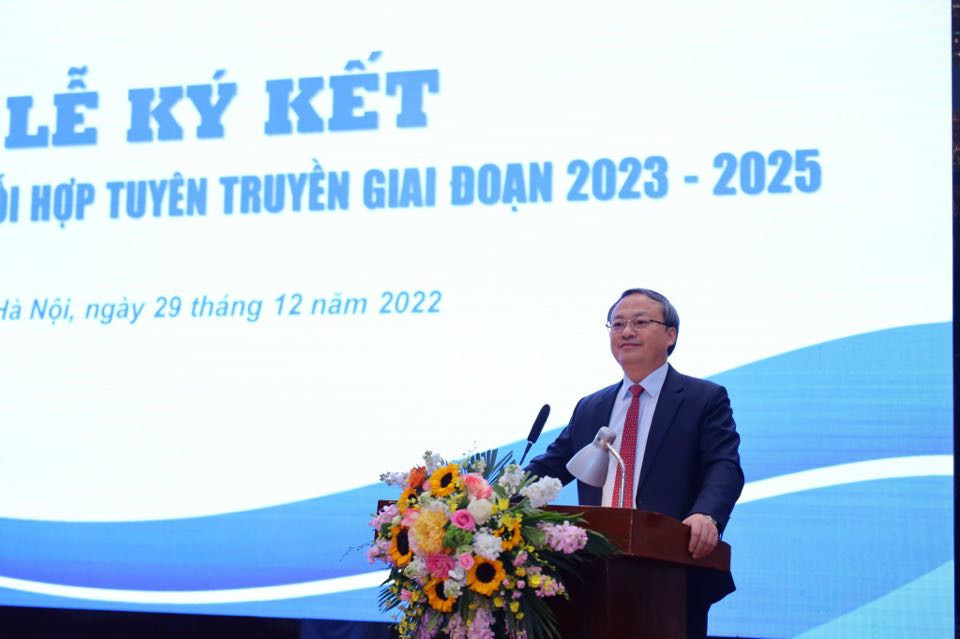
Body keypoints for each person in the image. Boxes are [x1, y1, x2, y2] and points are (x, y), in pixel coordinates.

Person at [526, 288, 744, 639]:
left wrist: (707, 514)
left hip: (669, 572)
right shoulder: (591, 406)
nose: (626, 332)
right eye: (617, 324)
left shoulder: (703, 398)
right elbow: (551, 468)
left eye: (640, 322)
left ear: (670, 335)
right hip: (588, 573)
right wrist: (489, 499)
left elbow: (724, 466)